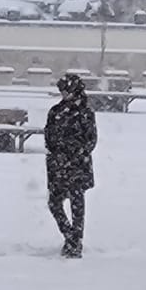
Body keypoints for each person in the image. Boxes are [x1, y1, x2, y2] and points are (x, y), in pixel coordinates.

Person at [44, 71, 98, 259]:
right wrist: (57, 153)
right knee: (54, 203)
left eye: (65, 90)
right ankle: (71, 237)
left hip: (76, 166)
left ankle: (76, 241)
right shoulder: (56, 111)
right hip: (58, 166)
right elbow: (48, 137)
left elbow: (90, 140)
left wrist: (74, 153)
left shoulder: (85, 112)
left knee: (77, 203)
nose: (63, 94)